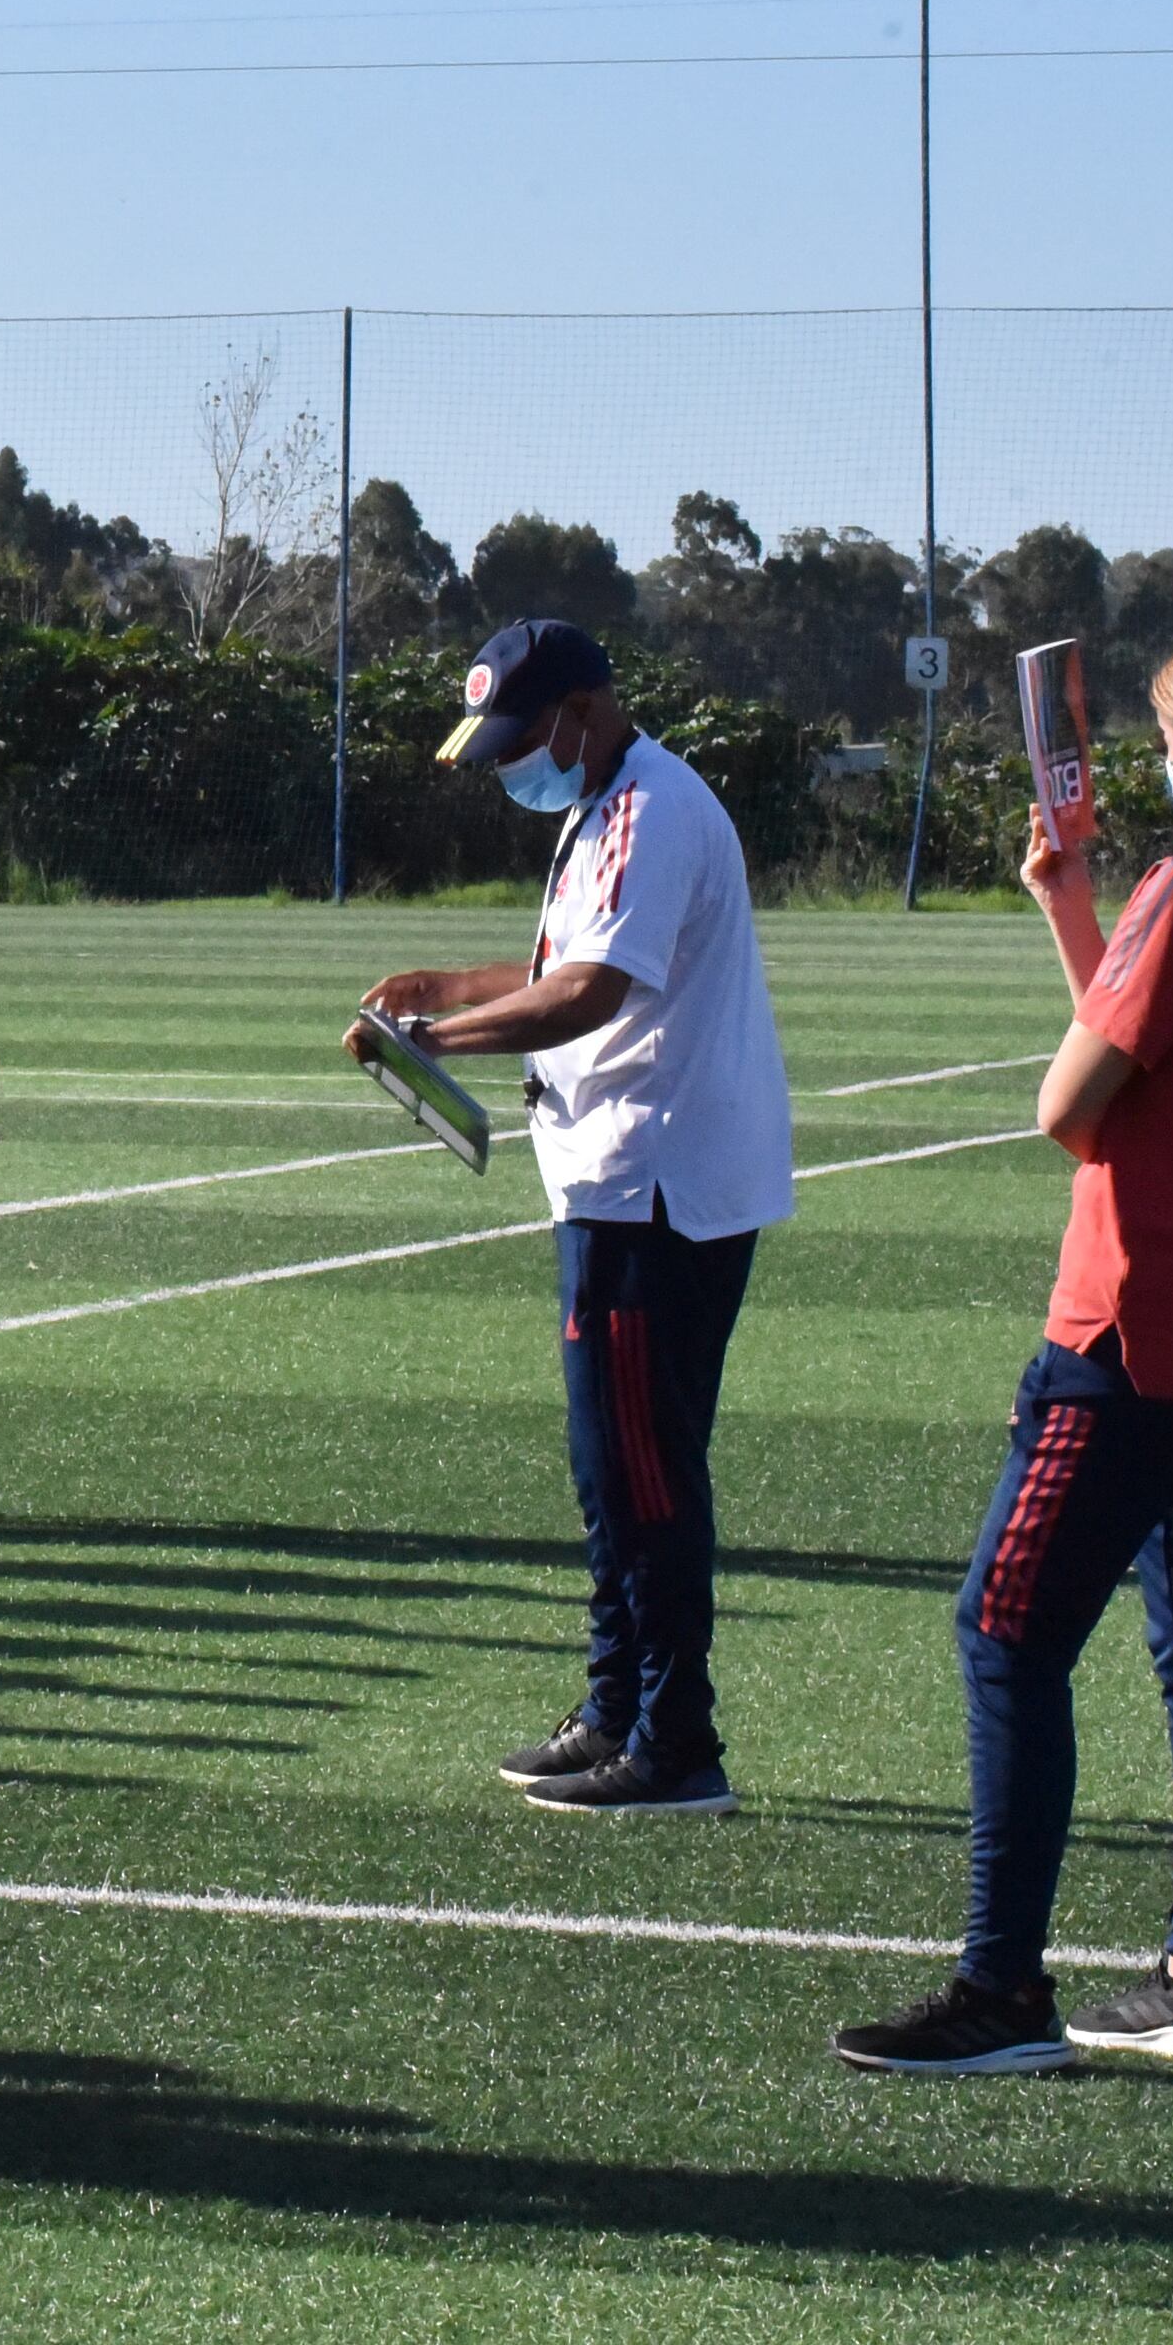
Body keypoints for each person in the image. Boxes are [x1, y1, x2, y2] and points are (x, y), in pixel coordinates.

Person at [836, 624, 1173, 2075]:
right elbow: (1146, 1043)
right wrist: (1072, 906)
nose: (1165, 761)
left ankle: (1001, 1984)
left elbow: (1070, 1103)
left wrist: (1108, 944)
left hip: (1134, 1331)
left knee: (1004, 1631)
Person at [352, 619, 797, 1813]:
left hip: (654, 1185)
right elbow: (567, 957)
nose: (508, 762)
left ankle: (673, 1739)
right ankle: (615, 1706)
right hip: (620, 1178)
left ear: (583, 710)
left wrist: (432, 1037)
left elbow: (590, 992)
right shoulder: (603, 805)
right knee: (609, 1467)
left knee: (641, 1470)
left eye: (519, 737)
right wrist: (450, 985)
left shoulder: (650, 809)